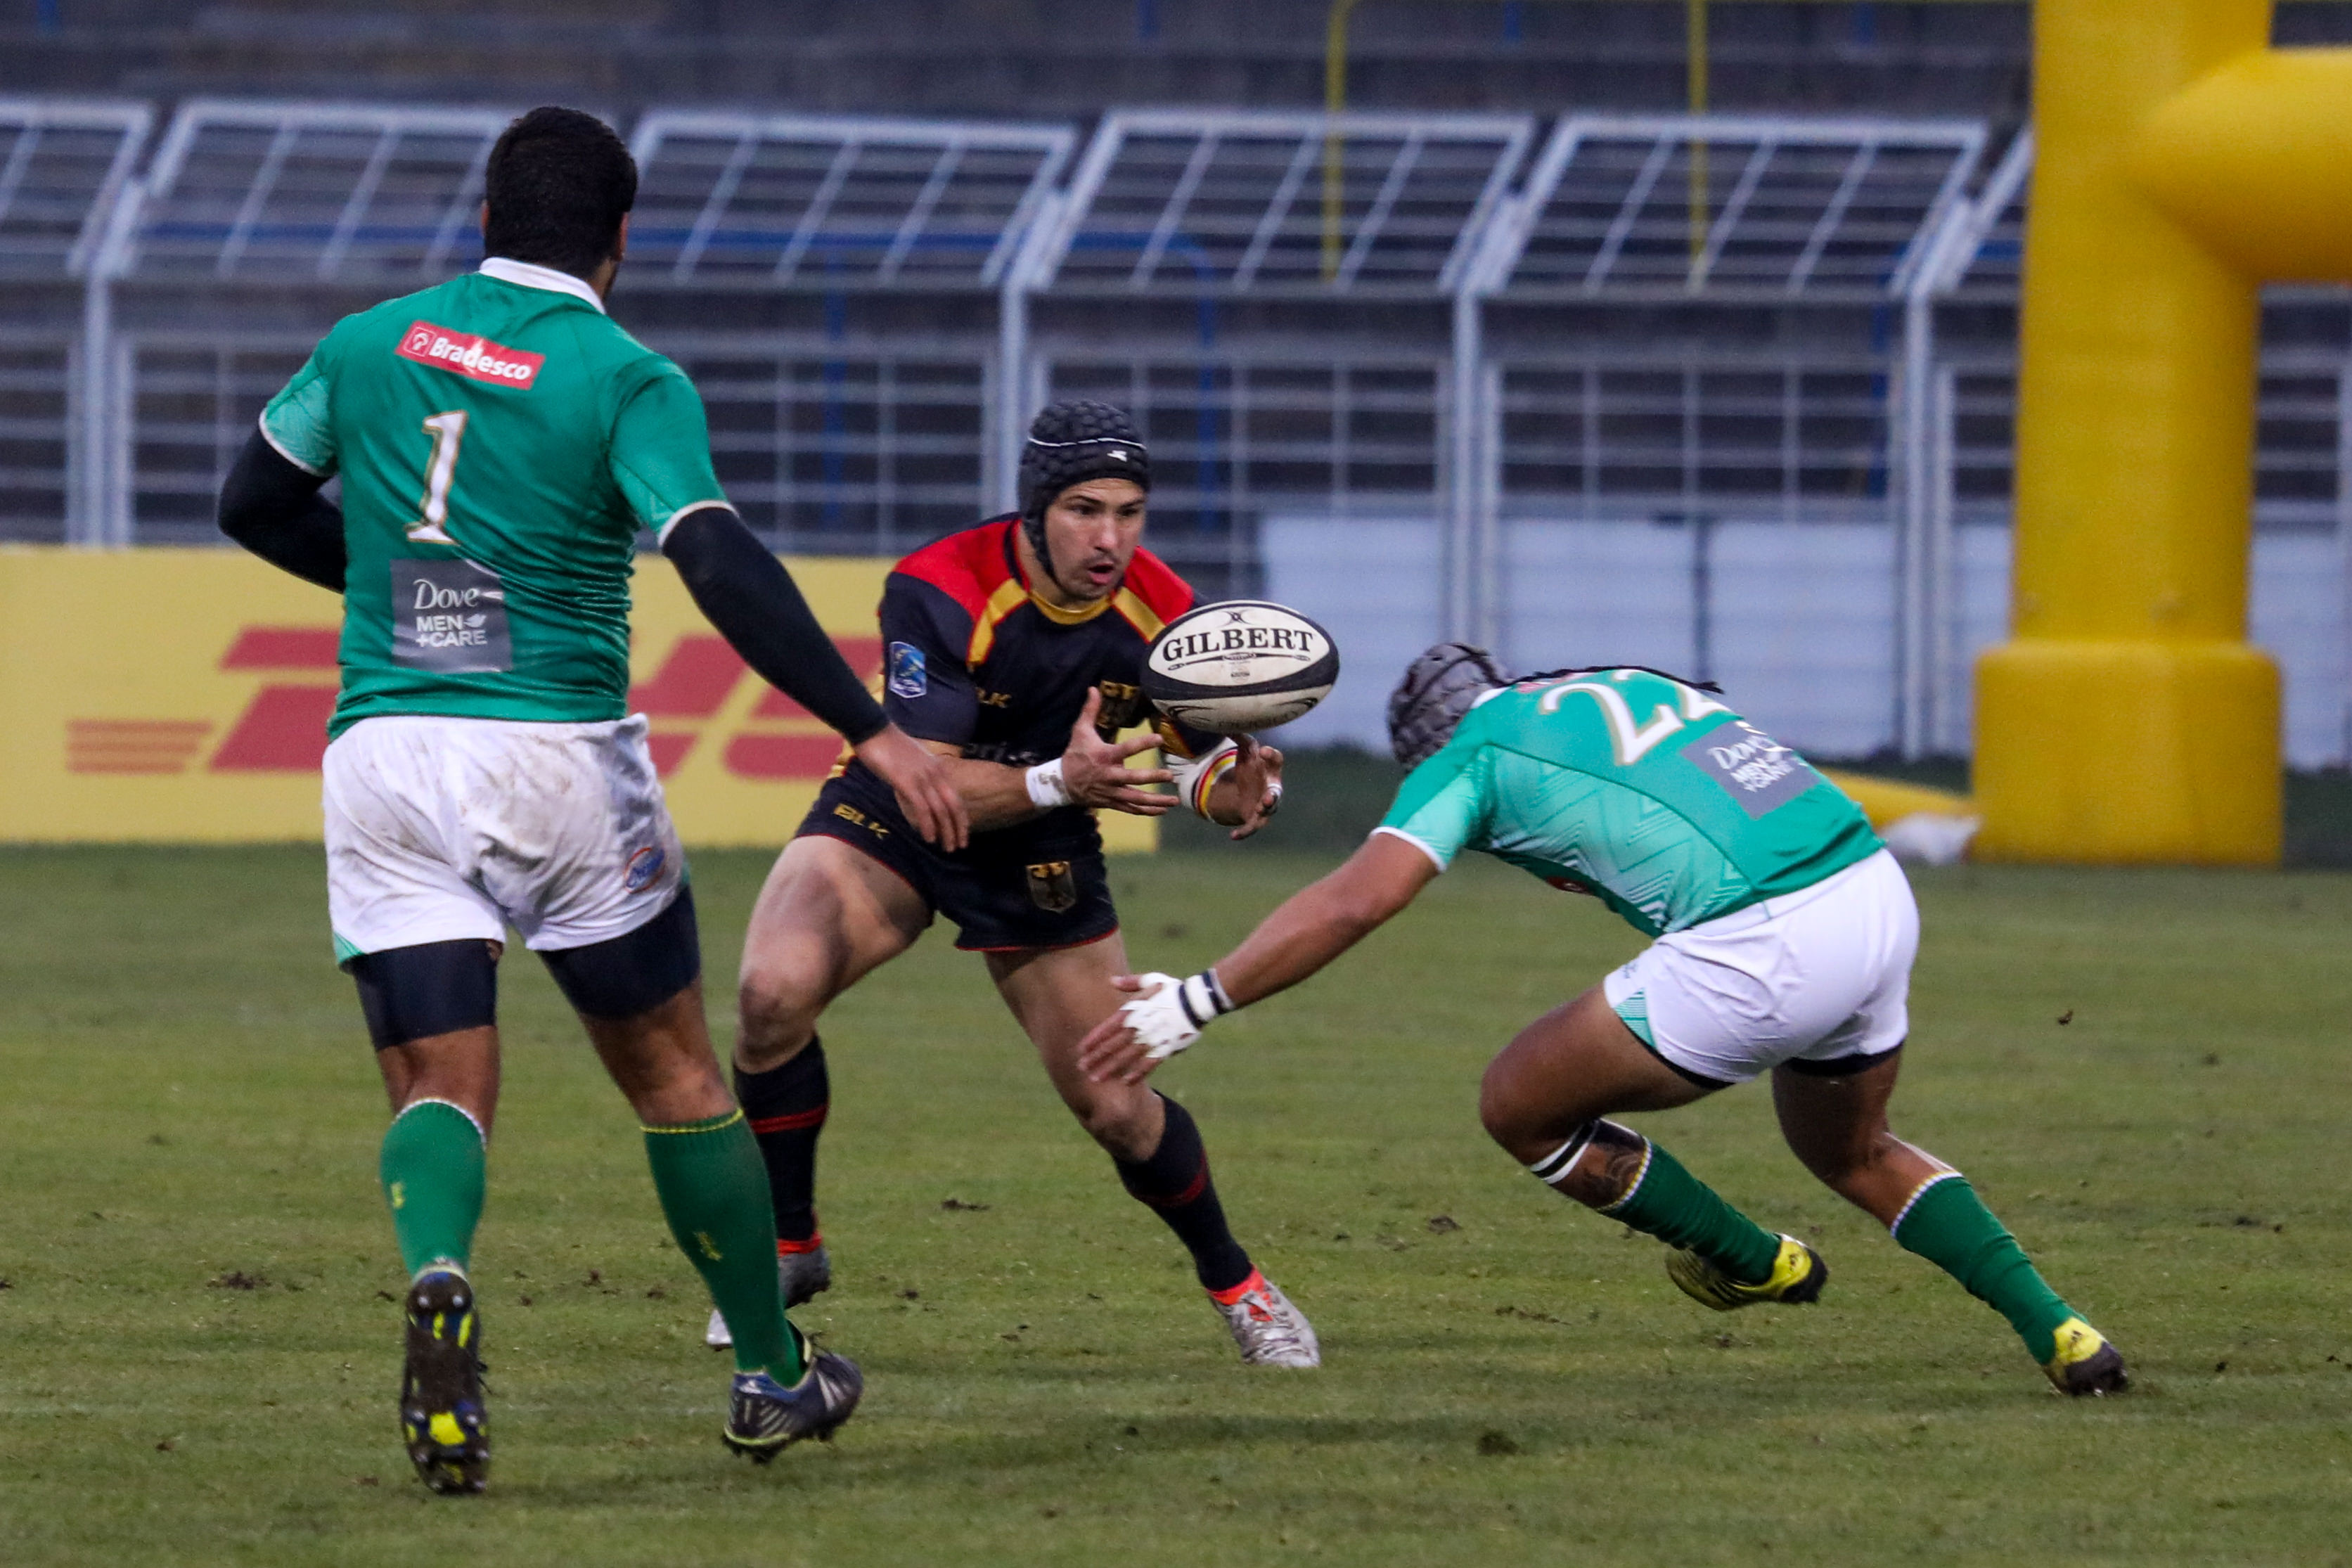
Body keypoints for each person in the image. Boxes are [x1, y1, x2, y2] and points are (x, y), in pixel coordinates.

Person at [216, 105, 969, 1492]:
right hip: (557, 757)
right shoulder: (628, 379)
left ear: (483, 218)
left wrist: (407, 591)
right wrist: (871, 728)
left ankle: (439, 1271)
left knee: (437, 1080)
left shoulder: (367, 342)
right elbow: (716, 559)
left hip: (385, 754)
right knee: (676, 1075)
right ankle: (769, 1372)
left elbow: (252, 501)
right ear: (622, 239)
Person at [1078, 644, 2130, 1397]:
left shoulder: (1469, 756)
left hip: (1763, 937)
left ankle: (1748, 1257)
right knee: (1853, 1150)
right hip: (1870, 888)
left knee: (1519, 1103)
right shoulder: (1623, 682)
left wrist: (1197, 999)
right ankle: (2063, 1332)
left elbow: (1360, 897)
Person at [705, 399, 1319, 1368]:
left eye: (1129, 512)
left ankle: (1238, 1284)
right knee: (769, 992)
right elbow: (932, 783)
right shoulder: (941, 585)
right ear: (1035, 509)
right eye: (1084, 510)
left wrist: (1234, 788)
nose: (1109, 538)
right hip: (901, 808)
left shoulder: (1169, 615)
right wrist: (1061, 779)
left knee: (1115, 1103)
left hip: (1042, 841)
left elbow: (1193, 760)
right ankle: (788, 1248)